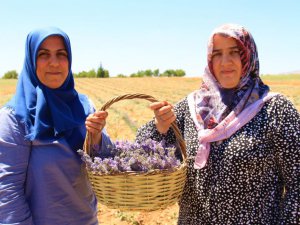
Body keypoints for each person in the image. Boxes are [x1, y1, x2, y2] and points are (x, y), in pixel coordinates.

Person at [136, 24, 300, 224]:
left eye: (234, 52)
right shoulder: (191, 109)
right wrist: (160, 125)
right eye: (217, 54)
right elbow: (142, 152)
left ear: (248, 56)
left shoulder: (275, 110)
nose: (225, 62)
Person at [0, 27, 112, 225]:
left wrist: (96, 138)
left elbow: (106, 164)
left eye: (61, 54)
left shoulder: (84, 106)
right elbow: (7, 190)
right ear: (31, 59)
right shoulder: (15, 117)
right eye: (43, 54)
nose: (54, 62)